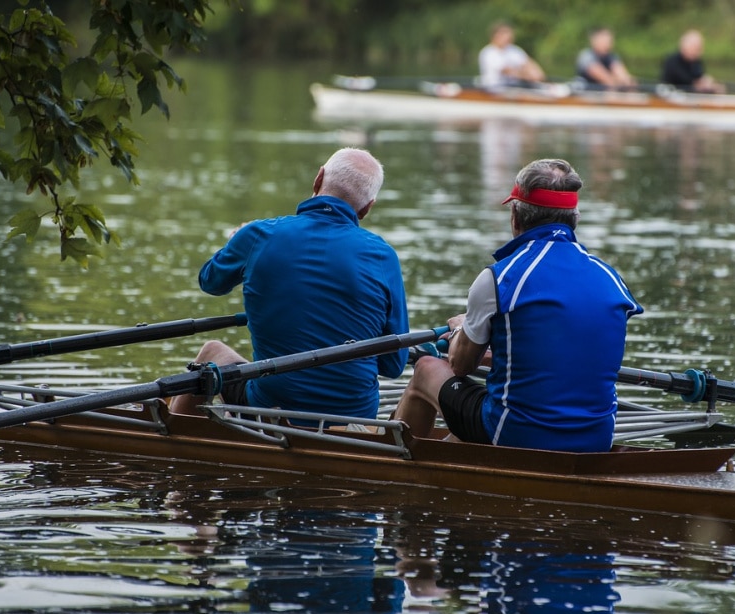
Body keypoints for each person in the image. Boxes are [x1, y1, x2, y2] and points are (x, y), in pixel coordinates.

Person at [392, 158, 642, 453]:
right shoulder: (611, 279)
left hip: (516, 435)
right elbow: (553, 353)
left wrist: (461, 329)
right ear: (574, 218)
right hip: (596, 440)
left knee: (426, 368)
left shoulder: (501, 277)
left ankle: (394, 461)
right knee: (488, 406)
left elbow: (460, 365)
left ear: (515, 216)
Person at [169, 148, 409, 420]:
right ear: (367, 208)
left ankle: (174, 435)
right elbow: (393, 365)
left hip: (273, 406)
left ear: (318, 179)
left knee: (212, 352)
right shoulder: (383, 256)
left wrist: (237, 242)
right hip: (355, 415)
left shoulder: (257, 235)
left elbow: (210, 282)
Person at [477, 22, 545, 89]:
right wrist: (529, 77)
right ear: (496, 35)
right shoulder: (488, 53)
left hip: (515, 88)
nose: (510, 36)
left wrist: (537, 75)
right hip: (494, 89)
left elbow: (529, 64)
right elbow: (507, 71)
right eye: (505, 33)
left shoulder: (515, 50)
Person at [660, 29, 725, 93]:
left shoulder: (696, 62)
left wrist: (711, 84)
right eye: (695, 47)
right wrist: (702, 84)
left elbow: (700, 76)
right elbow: (687, 81)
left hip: (692, 95)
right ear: (684, 46)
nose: (698, 51)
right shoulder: (672, 61)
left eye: (699, 48)